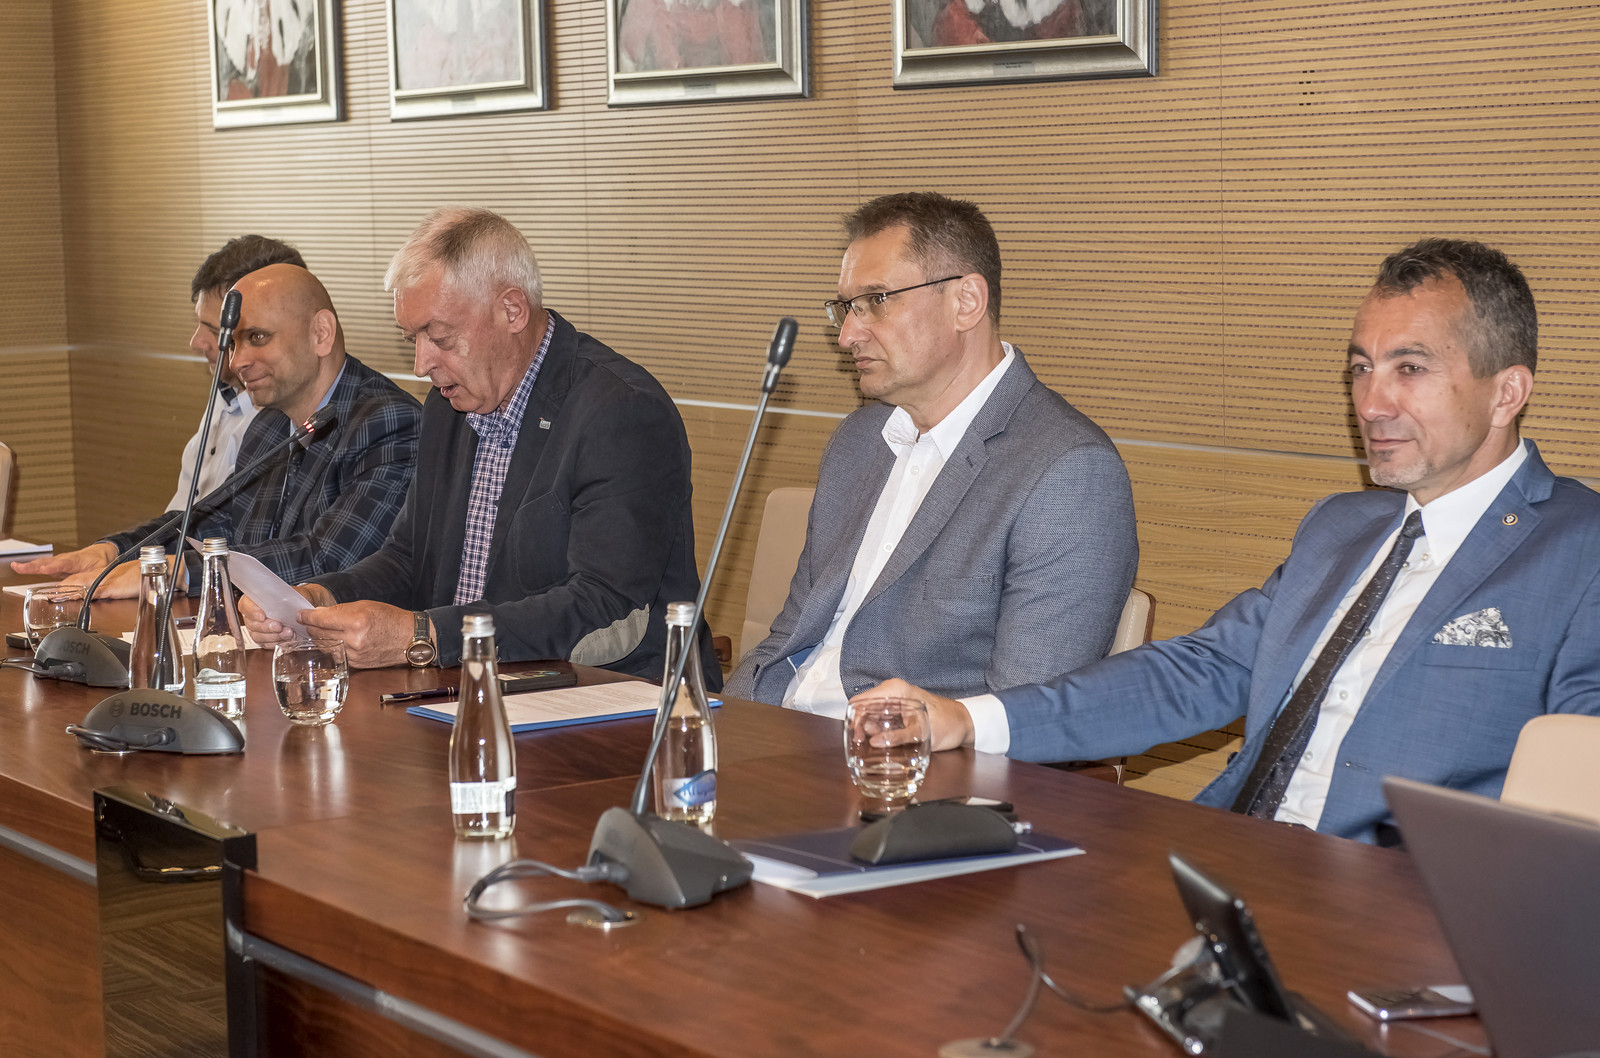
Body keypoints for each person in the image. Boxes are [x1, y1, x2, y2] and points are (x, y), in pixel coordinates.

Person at [861, 238, 1600, 845]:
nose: (1373, 402)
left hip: (1404, 911)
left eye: (1410, 368)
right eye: (1361, 368)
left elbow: (1572, 808)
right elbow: (1199, 672)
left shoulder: (1578, 551)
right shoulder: (1342, 528)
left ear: (1507, 392)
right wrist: (969, 718)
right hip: (1230, 855)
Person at [240, 207, 717, 685]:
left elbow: (606, 608)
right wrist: (319, 599)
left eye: (439, 337)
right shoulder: (448, 406)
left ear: (512, 311)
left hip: (612, 697)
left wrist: (424, 635)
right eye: (413, 339)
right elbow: (408, 559)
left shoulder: (620, 411)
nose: (422, 364)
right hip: (464, 685)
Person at [725, 191, 1137, 729]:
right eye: (846, 307)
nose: (847, 335)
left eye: (876, 300)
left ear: (966, 302)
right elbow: (789, 639)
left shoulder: (1067, 472)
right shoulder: (860, 439)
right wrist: (711, 725)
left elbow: (1028, 717)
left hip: (901, 761)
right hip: (774, 733)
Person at [16, 263, 421, 596]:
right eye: (233, 343)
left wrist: (178, 572)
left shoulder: (390, 423)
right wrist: (116, 552)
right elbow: (210, 522)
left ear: (321, 334)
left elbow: (329, 559)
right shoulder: (269, 425)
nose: (238, 361)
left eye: (257, 337)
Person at [166, 235, 305, 511]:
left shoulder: (287, 417)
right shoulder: (226, 387)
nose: (196, 342)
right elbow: (183, 514)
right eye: (199, 323)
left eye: (215, 331)